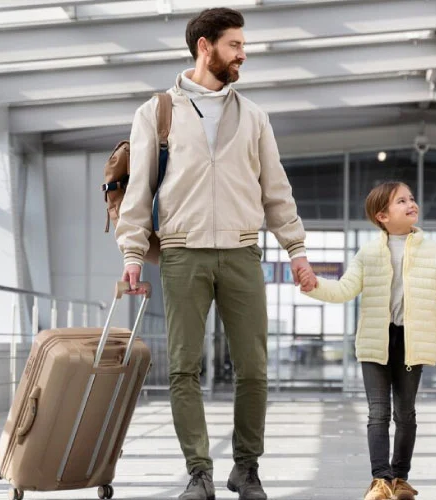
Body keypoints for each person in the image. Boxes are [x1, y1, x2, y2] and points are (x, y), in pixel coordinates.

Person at [115, 8, 316, 500]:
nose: (242, 54)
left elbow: (276, 190)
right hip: (183, 255)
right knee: (184, 367)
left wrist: (297, 249)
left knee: (254, 367)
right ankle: (198, 472)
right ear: (205, 47)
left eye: (243, 45)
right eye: (234, 45)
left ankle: (246, 468)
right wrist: (132, 253)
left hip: (244, 253)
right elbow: (139, 190)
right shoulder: (156, 112)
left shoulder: (254, 116)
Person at [298, 181, 436, 500]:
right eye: (401, 201)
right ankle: (380, 480)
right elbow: (344, 289)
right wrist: (315, 286)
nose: (412, 203)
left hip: (413, 341)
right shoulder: (367, 253)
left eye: (411, 198)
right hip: (375, 342)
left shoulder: (433, 251)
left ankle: (400, 479)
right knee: (377, 412)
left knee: (405, 413)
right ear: (382, 215)